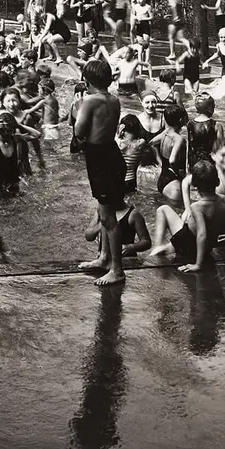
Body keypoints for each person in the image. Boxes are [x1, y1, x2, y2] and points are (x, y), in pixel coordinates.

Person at [73, 59, 127, 286]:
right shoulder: (114, 99)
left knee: (108, 216)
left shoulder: (89, 101)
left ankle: (117, 269)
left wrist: (76, 108)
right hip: (112, 154)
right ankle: (104, 257)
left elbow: (79, 131)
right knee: (104, 209)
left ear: (87, 80)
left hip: (100, 159)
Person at [152, 160, 225, 269]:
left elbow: (202, 235)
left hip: (188, 244)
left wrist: (198, 265)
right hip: (207, 248)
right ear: (217, 182)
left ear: (194, 185)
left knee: (163, 209)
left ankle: (156, 248)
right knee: (169, 247)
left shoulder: (197, 207)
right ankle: (164, 249)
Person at [154, 105, 188, 202]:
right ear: (181, 120)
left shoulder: (164, 133)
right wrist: (180, 174)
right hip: (174, 183)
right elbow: (172, 160)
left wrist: (160, 162)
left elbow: (151, 144)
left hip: (163, 178)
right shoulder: (178, 138)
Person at [186, 93, 225, 167]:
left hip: (195, 164)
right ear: (210, 108)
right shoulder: (217, 125)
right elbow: (220, 149)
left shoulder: (190, 124)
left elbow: (189, 148)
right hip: (210, 164)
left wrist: (187, 166)